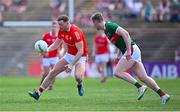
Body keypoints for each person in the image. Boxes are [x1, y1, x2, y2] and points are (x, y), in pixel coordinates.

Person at [91, 12, 170, 104]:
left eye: (94, 23)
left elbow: (126, 34)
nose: (93, 25)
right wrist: (119, 53)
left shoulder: (110, 26)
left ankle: (140, 87)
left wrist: (128, 51)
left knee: (117, 72)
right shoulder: (106, 30)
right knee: (143, 77)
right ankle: (163, 95)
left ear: (97, 21)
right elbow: (119, 41)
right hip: (132, 50)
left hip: (132, 50)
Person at [28, 15, 88, 100]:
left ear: (67, 23)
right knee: (52, 72)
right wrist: (46, 50)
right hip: (69, 55)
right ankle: (38, 93)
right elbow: (56, 45)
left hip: (80, 56)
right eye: (59, 24)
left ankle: (79, 84)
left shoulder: (75, 32)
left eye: (61, 24)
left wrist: (71, 65)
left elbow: (80, 51)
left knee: (78, 77)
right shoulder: (61, 31)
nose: (59, 27)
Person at [40, 21, 59, 90]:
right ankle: (41, 84)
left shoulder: (58, 36)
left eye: (55, 27)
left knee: (54, 72)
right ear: (51, 27)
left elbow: (61, 47)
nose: (54, 28)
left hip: (54, 56)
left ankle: (51, 85)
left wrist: (61, 52)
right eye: (53, 26)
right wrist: (42, 52)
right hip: (46, 57)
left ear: (57, 27)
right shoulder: (46, 35)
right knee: (46, 72)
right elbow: (41, 45)